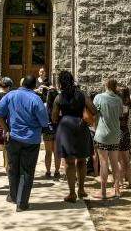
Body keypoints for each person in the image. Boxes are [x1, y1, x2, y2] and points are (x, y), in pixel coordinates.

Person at [0, 75, 49, 212]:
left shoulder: (11, 95)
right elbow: (44, 122)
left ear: (22, 83)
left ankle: (13, 196)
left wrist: (6, 129)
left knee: (13, 168)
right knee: (27, 171)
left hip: (13, 138)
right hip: (31, 140)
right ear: (34, 86)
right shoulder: (36, 99)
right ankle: (22, 203)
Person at [52, 71, 96, 203]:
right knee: (81, 160)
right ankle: (81, 189)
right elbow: (94, 110)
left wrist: (63, 117)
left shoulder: (59, 98)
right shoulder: (82, 94)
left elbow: (54, 118)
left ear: (60, 83)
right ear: (72, 80)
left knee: (69, 162)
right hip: (81, 126)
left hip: (65, 128)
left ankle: (72, 193)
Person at [93, 79, 123, 200]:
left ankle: (103, 192)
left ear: (105, 85)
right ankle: (117, 190)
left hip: (102, 134)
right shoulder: (119, 100)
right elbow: (120, 115)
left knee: (103, 163)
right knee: (115, 163)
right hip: (115, 135)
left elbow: (94, 113)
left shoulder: (99, 97)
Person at [118, 86, 131, 188]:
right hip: (125, 131)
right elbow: (128, 121)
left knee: (119, 160)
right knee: (127, 160)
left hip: (118, 131)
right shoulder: (128, 105)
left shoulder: (117, 105)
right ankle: (130, 181)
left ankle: (120, 182)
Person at [43, 87, 61, 179]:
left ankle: (48, 171)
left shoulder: (44, 105)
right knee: (57, 153)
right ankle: (57, 172)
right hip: (58, 130)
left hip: (47, 130)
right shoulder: (59, 105)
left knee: (48, 152)